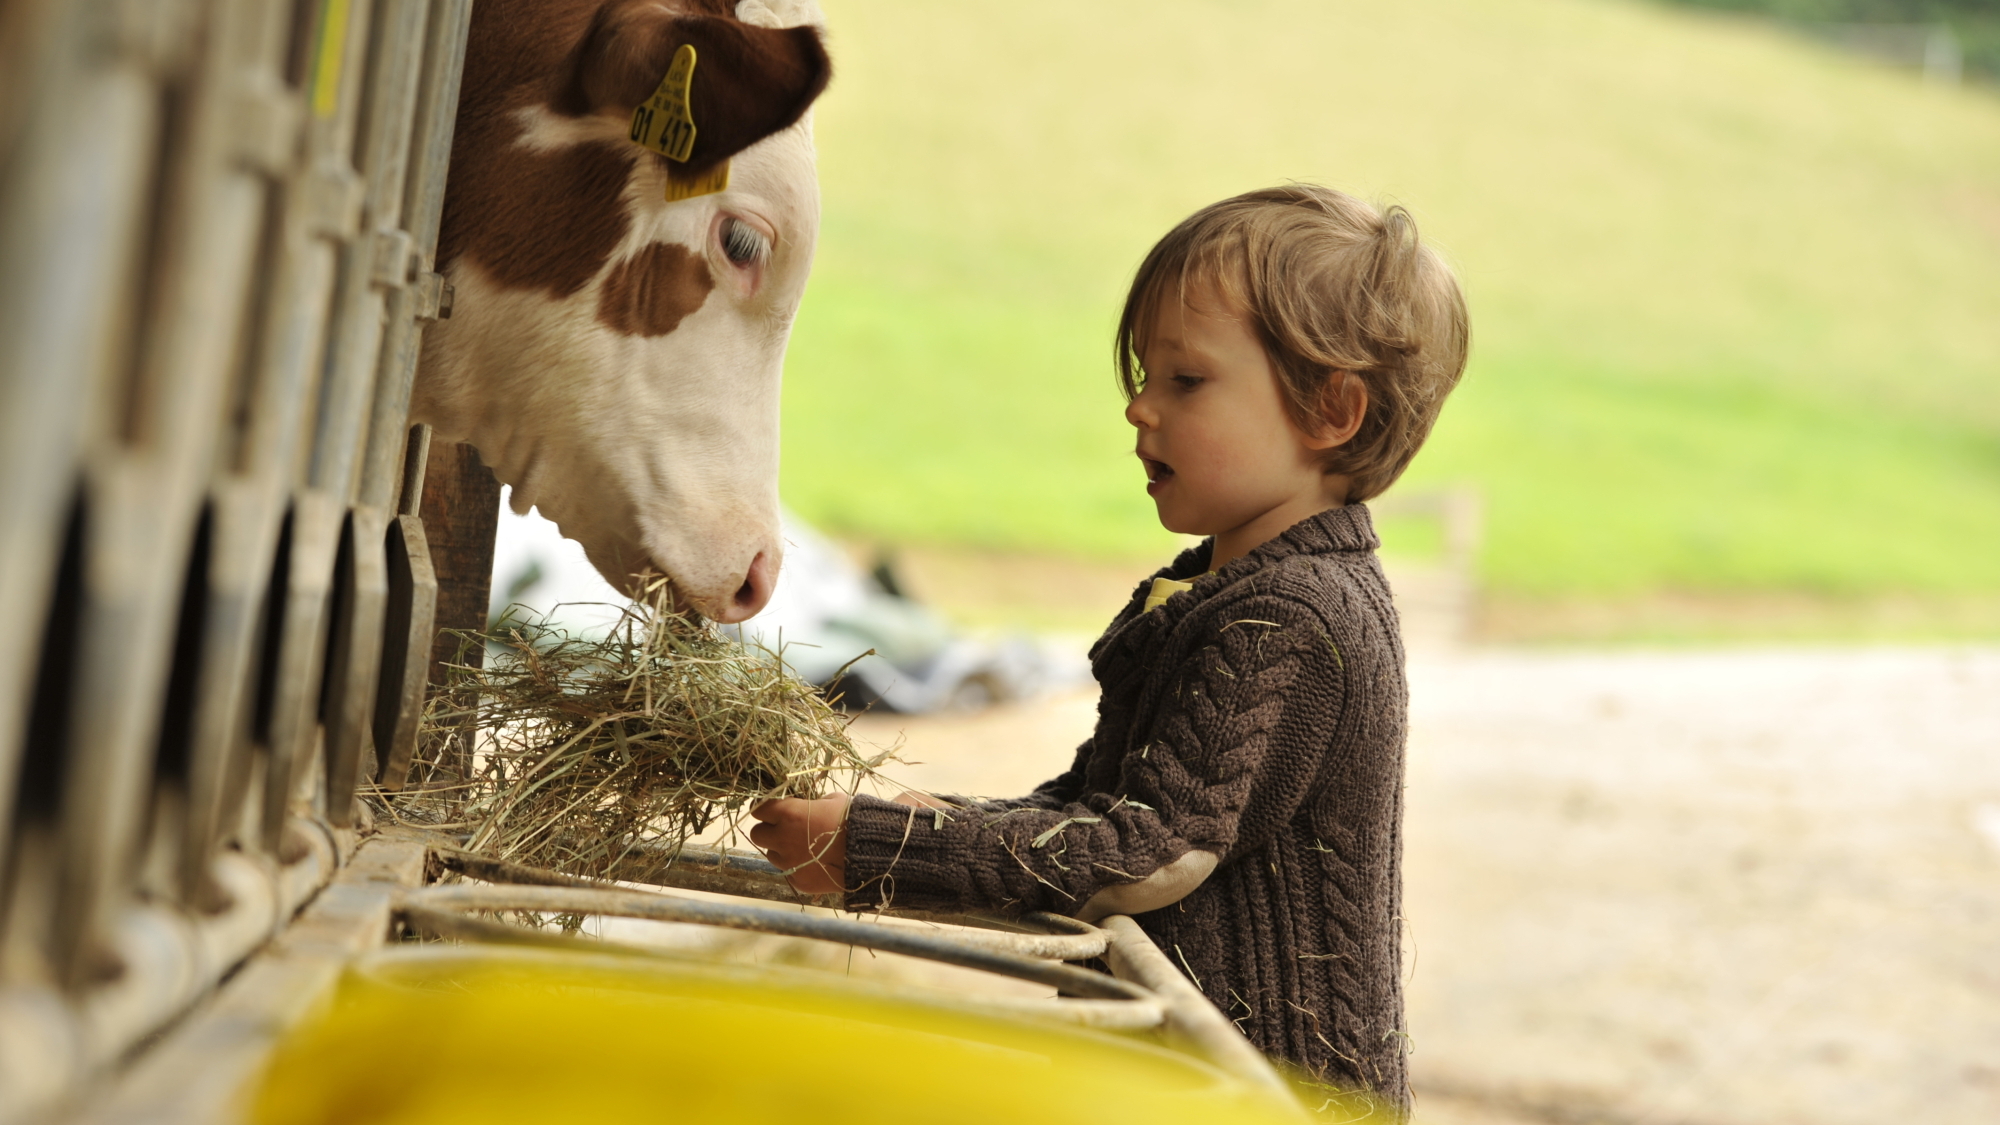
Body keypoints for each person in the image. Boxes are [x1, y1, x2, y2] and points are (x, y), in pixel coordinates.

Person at [750, 184, 1469, 1110]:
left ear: (1330, 409)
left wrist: (887, 852)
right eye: (1141, 373)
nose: (1139, 407)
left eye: (1185, 380)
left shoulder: (1292, 616)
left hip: (1258, 1094)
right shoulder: (1226, 592)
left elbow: (1146, 848)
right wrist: (936, 821)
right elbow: (1094, 803)